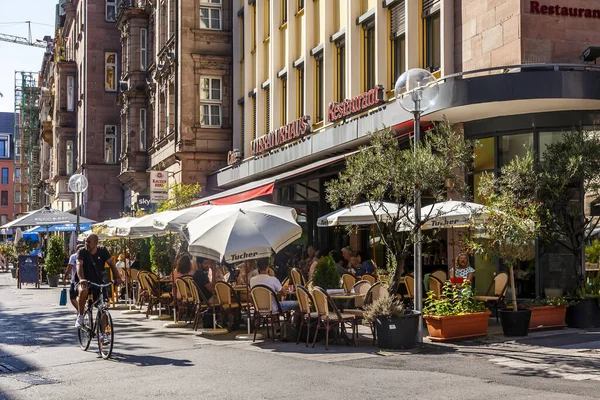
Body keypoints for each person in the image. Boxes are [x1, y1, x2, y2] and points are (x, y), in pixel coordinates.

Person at [74, 234, 122, 328]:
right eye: (85, 241)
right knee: (83, 290)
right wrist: (82, 279)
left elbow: (112, 264)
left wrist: (118, 277)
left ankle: (103, 334)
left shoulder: (103, 251)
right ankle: (80, 316)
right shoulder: (82, 252)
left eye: (89, 242)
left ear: (96, 243)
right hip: (85, 281)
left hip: (98, 282)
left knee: (103, 307)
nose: (86, 244)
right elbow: (79, 265)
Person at [68, 244, 85, 312]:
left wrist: (65, 278)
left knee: (73, 297)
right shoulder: (87, 255)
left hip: (76, 281)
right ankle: (81, 311)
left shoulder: (73, 256)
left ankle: (81, 311)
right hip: (82, 280)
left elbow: (69, 268)